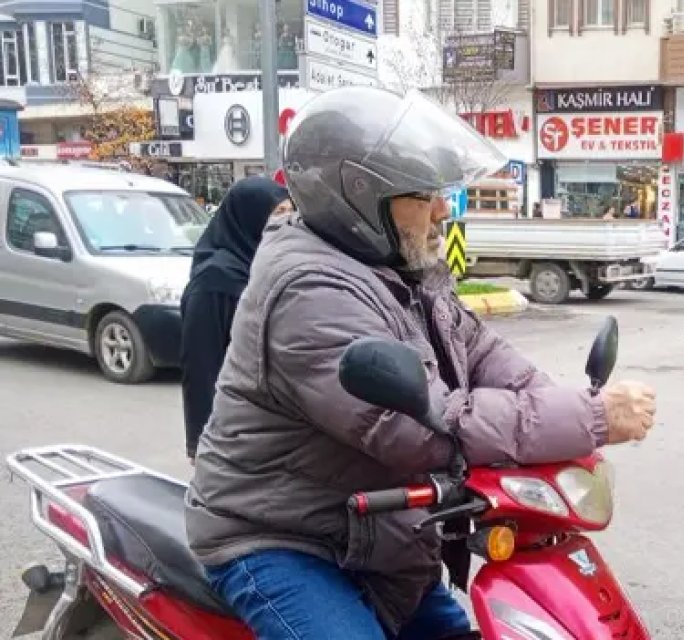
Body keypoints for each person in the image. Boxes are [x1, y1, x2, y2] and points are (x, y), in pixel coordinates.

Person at [184, 87, 658, 640]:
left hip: (372, 532)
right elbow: (418, 426)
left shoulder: (395, 268)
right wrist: (592, 417)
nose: (441, 210)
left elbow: (482, 353)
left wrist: (559, 406)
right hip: (281, 538)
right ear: (359, 198)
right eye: (423, 194)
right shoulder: (310, 291)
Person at [179, 176, 292, 462]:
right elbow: (201, 365)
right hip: (231, 433)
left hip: (267, 428)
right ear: (250, 217)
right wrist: (200, 443)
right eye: (278, 213)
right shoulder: (215, 281)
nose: (286, 223)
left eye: (291, 213)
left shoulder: (266, 268)